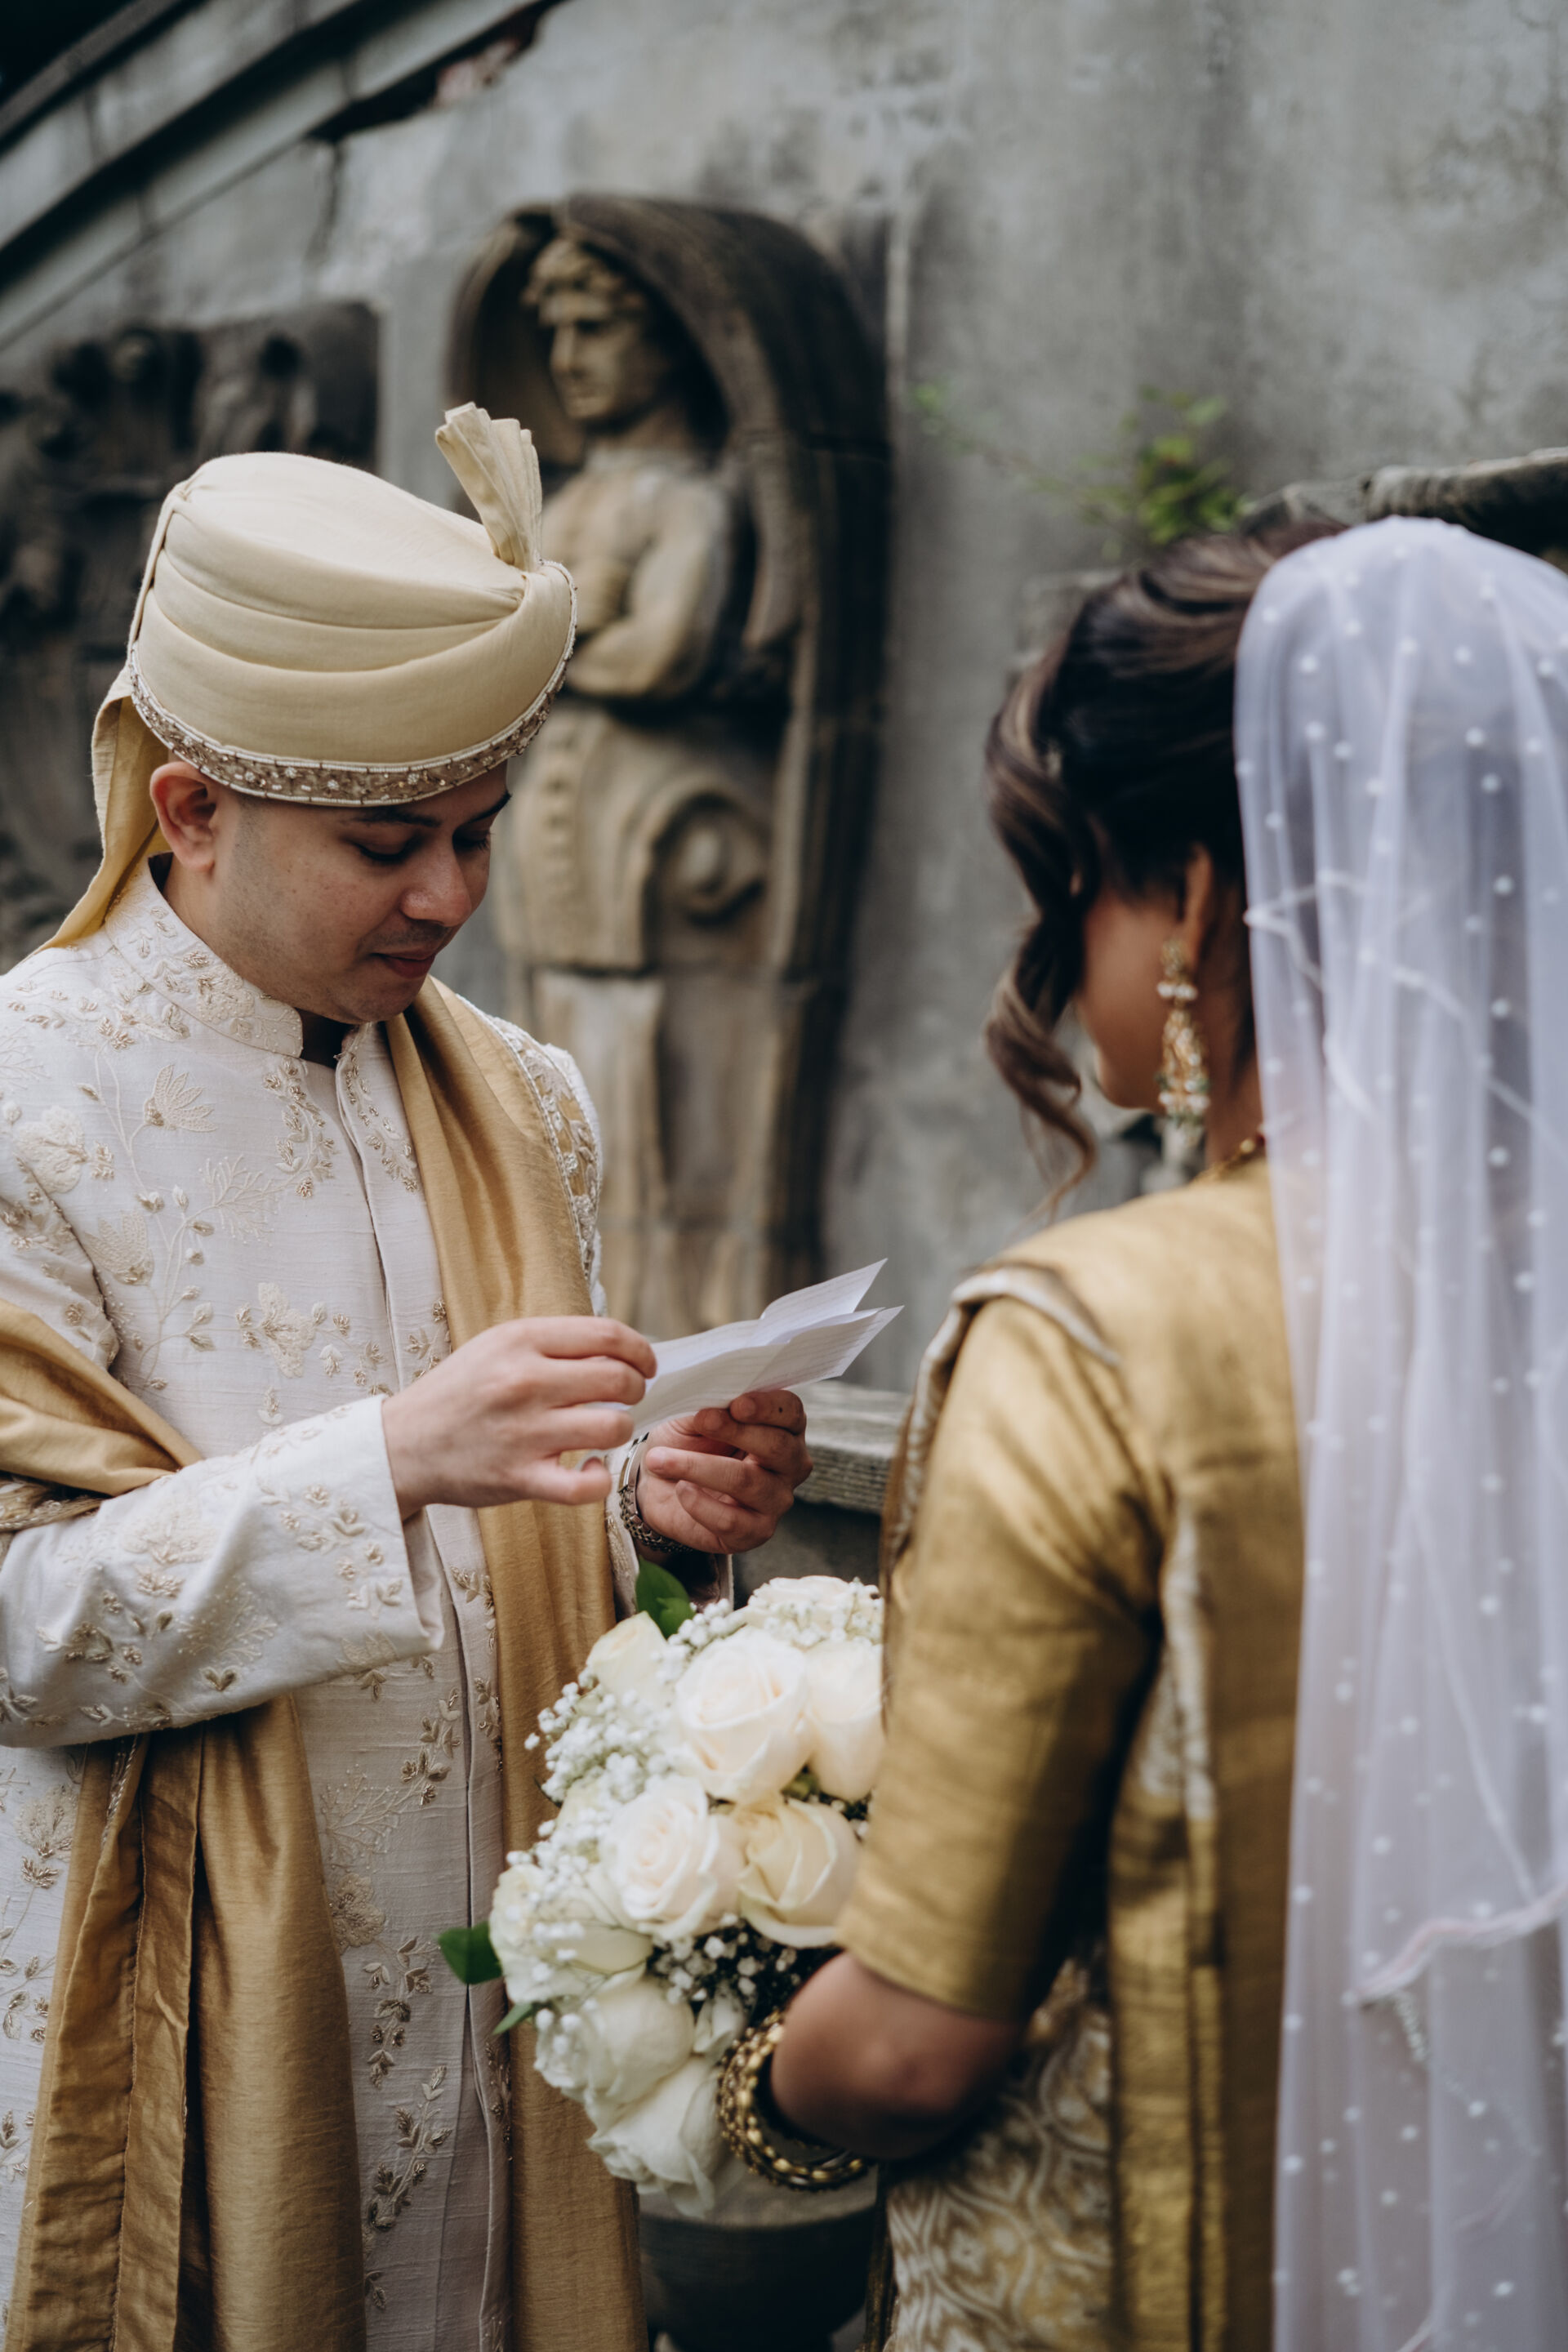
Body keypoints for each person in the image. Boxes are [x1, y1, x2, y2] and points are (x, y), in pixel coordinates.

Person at [0, 403, 808, 2352]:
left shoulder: (522, 1094)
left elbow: (513, 1538)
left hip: (499, 1999)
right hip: (182, 2000)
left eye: (479, 831)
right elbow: (19, 1629)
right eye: (387, 844)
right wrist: (386, 1460)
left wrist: (645, 1508)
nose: (449, 896)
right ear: (190, 809)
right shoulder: (28, 1099)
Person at [768, 512, 1568, 2349]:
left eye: (1076, 892)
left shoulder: (1096, 1338)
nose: (1055, 964)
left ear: (1195, 897)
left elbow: (909, 2048)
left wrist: (740, 2062)